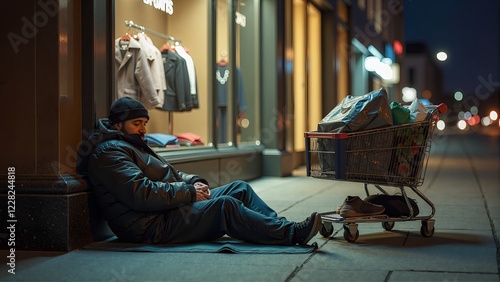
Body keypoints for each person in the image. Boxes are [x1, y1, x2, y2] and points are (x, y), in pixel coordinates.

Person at [77, 97, 321, 246]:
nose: (142, 128)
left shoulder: (131, 144)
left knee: (239, 188)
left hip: (168, 209)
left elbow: (169, 174)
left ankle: (278, 225)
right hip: (149, 226)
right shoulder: (109, 153)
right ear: (117, 125)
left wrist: (194, 182)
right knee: (225, 205)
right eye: (136, 123)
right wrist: (189, 193)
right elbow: (141, 194)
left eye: (144, 123)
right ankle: (292, 234)